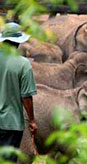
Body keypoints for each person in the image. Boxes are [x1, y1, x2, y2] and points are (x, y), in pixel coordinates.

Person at [0, 22, 37, 162]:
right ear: (18, 43)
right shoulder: (23, 64)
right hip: (11, 123)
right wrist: (32, 120)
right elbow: (26, 97)